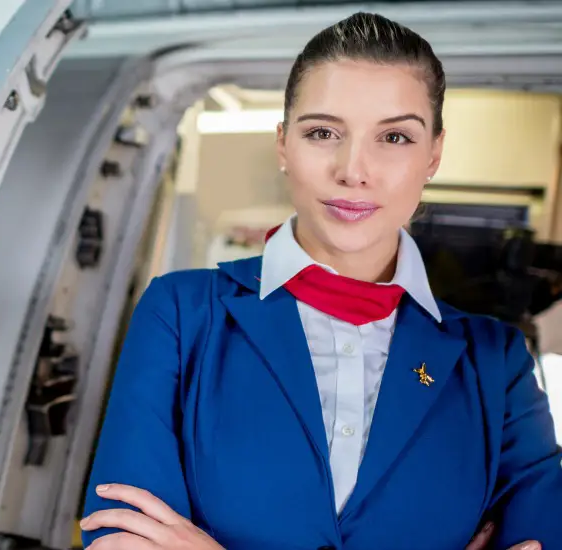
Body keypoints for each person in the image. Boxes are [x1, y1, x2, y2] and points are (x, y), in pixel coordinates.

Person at [79, 12, 562, 550]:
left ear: (434, 155)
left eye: (395, 136)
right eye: (323, 132)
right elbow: (120, 538)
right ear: (284, 144)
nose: (354, 169)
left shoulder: (495, 362)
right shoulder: (182, 314)